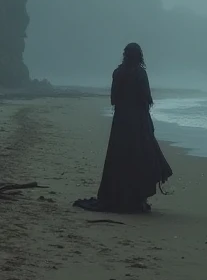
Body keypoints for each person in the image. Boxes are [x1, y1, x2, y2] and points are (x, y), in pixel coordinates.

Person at [74, 43, 173, 213]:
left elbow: (113, 99)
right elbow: (147, 99)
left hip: (120, 122)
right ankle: (136, 200)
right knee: (139, 158)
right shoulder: (140, 73)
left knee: (119, 159)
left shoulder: (118, 72)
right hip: (138, 122)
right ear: (139, 56)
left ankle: (118, 198)